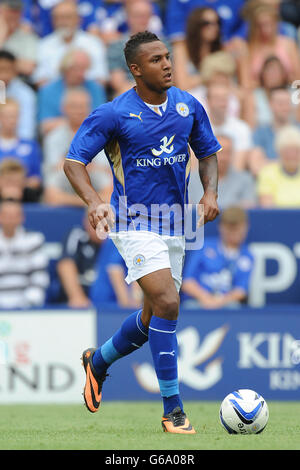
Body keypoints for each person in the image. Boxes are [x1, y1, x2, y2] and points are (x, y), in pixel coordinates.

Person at [63, 31, 221, 433]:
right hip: (132, 222)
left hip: (176, 223)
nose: (167, 64)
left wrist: (211, 193)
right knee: (168, 303)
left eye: (168, 57)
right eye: (155, 60)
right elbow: (73, 162)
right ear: (135, 70)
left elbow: (208, 154)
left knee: (154, 316)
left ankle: (97, 361)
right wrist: (95, 202)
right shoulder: (113, 113)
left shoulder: (188, 106)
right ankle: (173, 410)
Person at [43, 87, 112, 207]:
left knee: (107, 180)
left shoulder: (101, 134)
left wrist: (76, 165)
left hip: (93, 175)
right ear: (64, 109)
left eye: (83, 106)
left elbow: (104, 168)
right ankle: (90, 202)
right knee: (52, 182)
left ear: (89, 108)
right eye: (74, 106)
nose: (79, 110)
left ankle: (80, 201)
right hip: (66, 176)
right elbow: (53, 167)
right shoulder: (54, 136)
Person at [181, 206, 254, 309]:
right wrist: (206, 298)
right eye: (230, 228)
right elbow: (187, 282)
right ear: (221, 227)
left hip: (226, 304)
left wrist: (219, 302)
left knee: (234, 307)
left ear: (245, 227)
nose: (234, 233)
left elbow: (240, 291)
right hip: (198, 302)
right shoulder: (203, 246)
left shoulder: (247, 255)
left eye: (238, 229)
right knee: (190, 306)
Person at [32, 0, 108, 86]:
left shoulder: (93, 43)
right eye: (58, 18)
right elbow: (39, 80)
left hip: (87, 94)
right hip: (56, 95)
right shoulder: (44, 45)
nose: (63, 22)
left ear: (79, 19)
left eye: (67, 17)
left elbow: (101, 79)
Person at [172, 7, 249, 91]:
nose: (214, 27)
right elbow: (182, 85)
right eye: (207, 23)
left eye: (217, 23)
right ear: (196, 25)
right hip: (191, 98)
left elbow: (241, 85)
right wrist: (209, 74)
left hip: (217, 98)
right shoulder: (182, 49)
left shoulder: (223, 48)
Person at [38, 48, 107, 135]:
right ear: (65, 68)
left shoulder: (95, 89)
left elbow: (101, 121)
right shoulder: (48, 91)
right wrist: (75, 122)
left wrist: (70, 121)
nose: (81, 74)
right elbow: (46, 126)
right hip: (59, 138)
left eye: (84, 69)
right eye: (77, 69)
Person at [0, 199, 49, 309]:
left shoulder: (34, 240)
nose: (10, 219)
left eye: (14, 215)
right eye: (6, 215)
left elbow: (39, 278)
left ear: (22, 218)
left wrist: (28, 305)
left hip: (26, 307)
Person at [242, 0, 300, 88]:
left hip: (287, 91)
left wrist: (282, 80)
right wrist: (266, 82)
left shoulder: (289, 44)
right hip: (260, 94)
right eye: (260, 25)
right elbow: (246, 84)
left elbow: (298, 79)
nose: (265, 29)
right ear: (254, 26)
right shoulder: (248, 49)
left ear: (276, 24)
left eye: (269, 24)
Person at [188, 135, 257, 209]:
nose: (223, 158)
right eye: (219, 152)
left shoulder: (245, 179)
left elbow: (249, 207)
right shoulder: (191, 180)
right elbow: (188, 210)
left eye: (227, 152)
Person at [56, 213, 104, 308]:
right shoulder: (77, 235)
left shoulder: (116, 243)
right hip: (79, 303)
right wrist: (77, 296)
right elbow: (65, 265)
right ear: (85, 222)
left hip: (107, 303)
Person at [0, 99, 42, 200]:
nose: (11, 120)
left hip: (25, 198)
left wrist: (17, 187)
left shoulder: (31, 146)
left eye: (14, 116)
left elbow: (36, 179)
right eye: (7, 116)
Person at [90, 238, 143, 308]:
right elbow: (115, 270)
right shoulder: (121, 235)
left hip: (122, 303)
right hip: (108, 303)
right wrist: (129, 308)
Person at [257, 125, 300, 207]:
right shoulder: (267, 173)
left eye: (296, 151)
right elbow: (267, 207)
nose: (292, 155)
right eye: (287, 151)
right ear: (279, 152)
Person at [0, 50, 37, 139]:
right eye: (0, 70)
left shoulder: (26, 94)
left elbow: (27, 130)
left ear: (15, 70)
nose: (3, 75)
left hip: (18, 145)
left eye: (8, 69)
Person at [0, 0, 39, 78]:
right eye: (10, 11)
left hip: (17, 80)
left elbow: (28, 68)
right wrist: (2, 34)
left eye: (17, 11)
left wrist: (4, 65)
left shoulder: (27, 35)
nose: (13, 15)